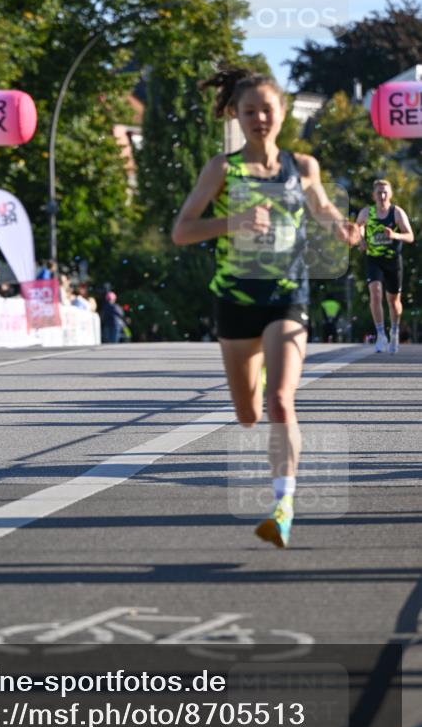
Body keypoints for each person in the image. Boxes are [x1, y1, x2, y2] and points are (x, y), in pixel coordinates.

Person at [172, 67, 360, 548]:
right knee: (249, 414)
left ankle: (283, 507)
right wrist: (232, 221)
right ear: (235, 115)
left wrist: (342, 227)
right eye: (249, 111)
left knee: (280, 400)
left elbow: (322, 208)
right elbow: (182, 231)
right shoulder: (222, 169)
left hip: (287, 296)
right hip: (235, 300)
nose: (259, 118)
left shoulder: (303, 166)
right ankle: (254, 372)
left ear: (282, 112)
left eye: (267, 110)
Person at [356, 179, 414, 354]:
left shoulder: (397, 213)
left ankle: (394, 331)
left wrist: (395, 235)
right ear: (373, 195)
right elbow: (358, 227)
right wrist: (361, 240)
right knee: (375, 293)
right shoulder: (367, 212)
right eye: (379, 192)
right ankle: (381, 334)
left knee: (393, 301)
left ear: (390, 194)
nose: (382, 196)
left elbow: (410, 236)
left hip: (393, 260)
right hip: (374, 259)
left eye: (385, 192)